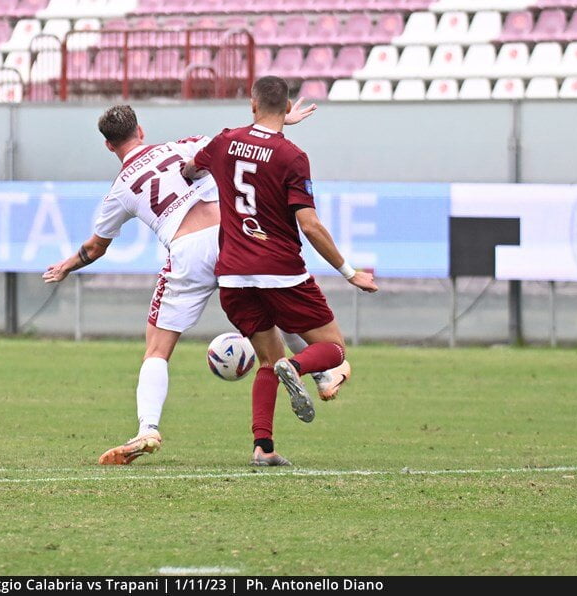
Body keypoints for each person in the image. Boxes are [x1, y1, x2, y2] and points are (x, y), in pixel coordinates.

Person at [43, 102, 336, 466]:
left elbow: (95, 247)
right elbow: (240, 143)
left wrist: (67, 266)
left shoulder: (119, 189)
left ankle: (148, 428)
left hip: (187, 251)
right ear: (142, 130)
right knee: (275, 305)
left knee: (157, 350)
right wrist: (279, 121)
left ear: (108, 146)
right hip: (231, 238)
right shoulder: (182, 146)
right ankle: (319, 375)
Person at [184, 76, 379, 466]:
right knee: (335, 349)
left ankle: (264, 449)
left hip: (233, 278)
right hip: (281, 274)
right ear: (288, 109)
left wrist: (244, 142)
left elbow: (190, 171)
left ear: (253, 106)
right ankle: (299, 365)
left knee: (267, 360)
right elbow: (309, 225)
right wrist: (349, 272)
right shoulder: (292, 156)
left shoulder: (224, 142)